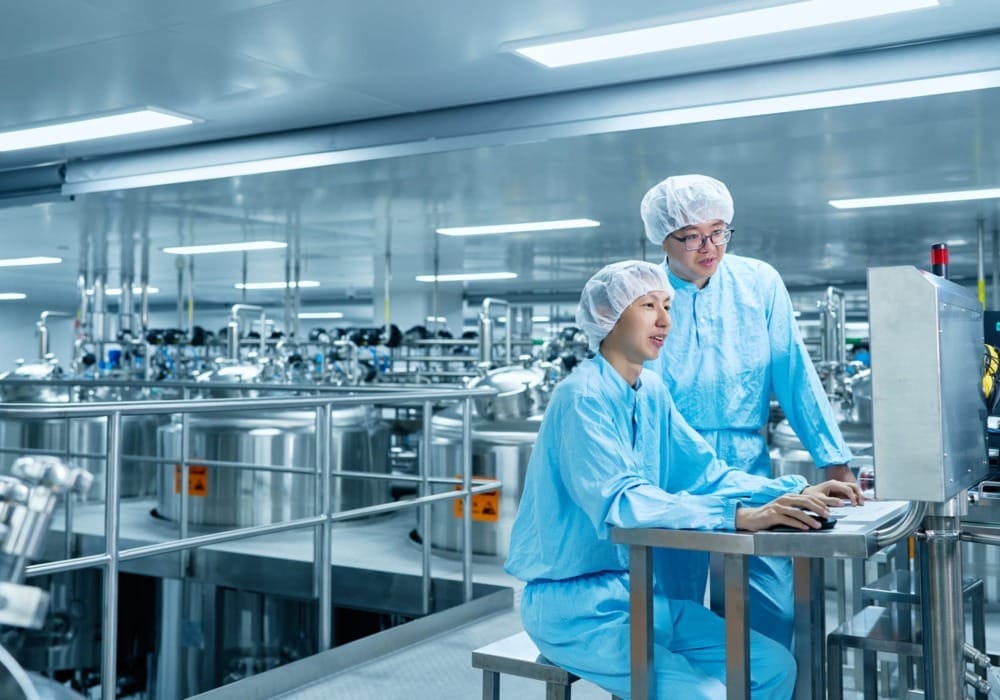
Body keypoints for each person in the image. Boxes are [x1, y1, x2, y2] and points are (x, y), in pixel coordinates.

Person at [504, 260, 862, 700]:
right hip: (574, 609)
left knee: (773, 667)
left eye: (668, 306)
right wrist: (738, 516)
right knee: (705, 694)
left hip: (639, 594)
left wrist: (793, 490)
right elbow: (623, 502)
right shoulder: (581, 398)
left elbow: (706, 473)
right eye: (648, 305)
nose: (664, 320)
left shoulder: (650, 392)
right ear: (609, 318)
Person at [640, 174, 856, 648]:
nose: (709, 246)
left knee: (770, 602)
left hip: (745, 458)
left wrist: (832, 454)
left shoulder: (759, 282)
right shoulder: (645, 292)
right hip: (671, 462)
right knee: (672, 604)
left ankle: (761, 685)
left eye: (718, 231)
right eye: (691, 236)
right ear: (664, 237)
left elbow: (792, 370)